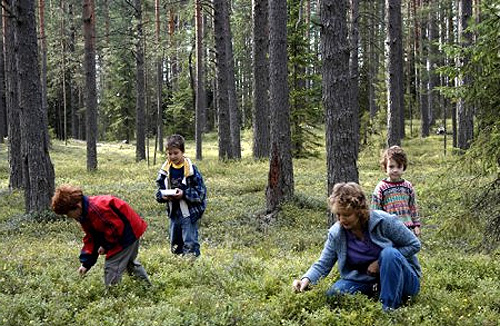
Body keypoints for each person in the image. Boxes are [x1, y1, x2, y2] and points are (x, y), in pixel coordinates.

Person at [292, 182, 421, 311]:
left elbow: (414, 244)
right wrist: (306, 279)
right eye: (338, 215)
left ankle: (389, 309)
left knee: (389, 254)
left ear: (359, 211)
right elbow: (323, 263)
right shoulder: (337, 233)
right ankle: (378, 292)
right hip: (367, 281)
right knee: (334, 294)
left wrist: (379, 263)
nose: (342, 220)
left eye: (347, 215)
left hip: (403, 279)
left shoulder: (384, 221)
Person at [51, 184, 151, 286]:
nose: (69, 217)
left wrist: (106, 246)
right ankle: (146, 287)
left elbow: (114, 229)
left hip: (127, 232)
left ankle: (113, 295)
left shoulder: (96, 210)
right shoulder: (84, 214)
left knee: (112, 265)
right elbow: (92, 238)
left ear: (77, 207)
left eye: (68, 214)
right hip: (127, 231)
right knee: (129, 262)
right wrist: (86, 264)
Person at [155, 134, 207, 257]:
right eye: (169, 153)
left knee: (190, 242)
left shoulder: (191, 170)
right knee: (175, 243)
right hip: (174, 213)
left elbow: (201, 193)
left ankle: (192, 266)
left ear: (182, 152)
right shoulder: (165, 170)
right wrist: (163, 196)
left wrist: (183, 194)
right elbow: (159, 191)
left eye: (176, 153)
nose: (172, 156)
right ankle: (179, 265)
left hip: (189, 212)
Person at [371, 145, 421, 236]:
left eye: (399, 167)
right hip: (389, 229)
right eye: (391, 166)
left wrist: (416, 225)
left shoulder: (408, 186)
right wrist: (377, 229)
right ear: (385, 167)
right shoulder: (381, 188)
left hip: (407, 227)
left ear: (403, 167)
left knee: (411, 248)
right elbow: (375, 210)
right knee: (392, 250)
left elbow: (413, 206)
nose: (395, 170)